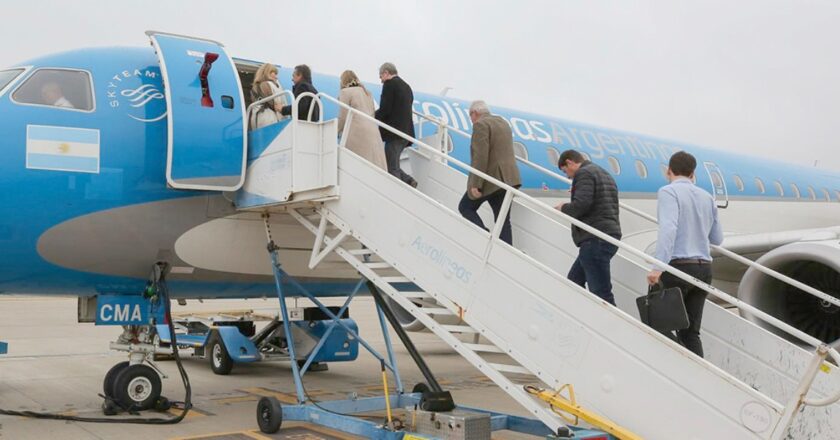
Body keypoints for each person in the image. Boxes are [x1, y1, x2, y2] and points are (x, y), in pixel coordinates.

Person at [647, 151, 723, 358]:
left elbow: (668, 229)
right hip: (704, 269)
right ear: (693, 173)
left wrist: (657, 267)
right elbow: (717, 239)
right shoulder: (707, 197)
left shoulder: (668, 192)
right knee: (691, 332)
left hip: (679, 267)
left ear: (668, 171)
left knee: (657, 323)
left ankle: (673, 369)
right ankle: (698, 376)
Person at [556, 150, 622, 305]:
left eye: (566, 171)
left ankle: (610, 327)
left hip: (595, 239)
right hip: (607, 235)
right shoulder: (602, 173)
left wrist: (563, 207)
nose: (568, 176)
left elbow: (582, 204)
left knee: (601, 293)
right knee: (574, 280)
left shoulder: (584, 174)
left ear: (570, 162)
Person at [458, 100, 521, 246]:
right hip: (509, 179)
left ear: (475, 113)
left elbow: (480, 156)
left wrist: (476, 184)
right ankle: (506, 253)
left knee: (465, 207)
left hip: (492, 180)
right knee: (503, 220)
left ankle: (485, 237)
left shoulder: (481, 125)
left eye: (470, 116)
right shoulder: (503, 122)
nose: (471, 120)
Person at [374, 62, 417, 187]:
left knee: (391, 167)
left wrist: (372, 116)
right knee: (391, 163)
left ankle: (398, 190)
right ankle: (409, 180)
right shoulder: (407, 87)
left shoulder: (389, 85)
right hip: (406, 132)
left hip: (394, 133)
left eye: (380, 77)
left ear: (386, 73)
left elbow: (385, 109)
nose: (381, 81)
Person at [337, 70, 387, 171]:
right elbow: (373, 112)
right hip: (373, 131)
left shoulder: (345, 92)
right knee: (373, 166)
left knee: (355, 166)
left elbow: (343, 116)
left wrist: (336, 129)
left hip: (357, 132)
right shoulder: (367, 93)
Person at [249, 63, 286, 130]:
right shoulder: (267, 84)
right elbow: (275, 104)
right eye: (274, 73)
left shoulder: (255, 87)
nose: (276, 76)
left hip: (257, 117)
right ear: (267, 72)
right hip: (268, 117)